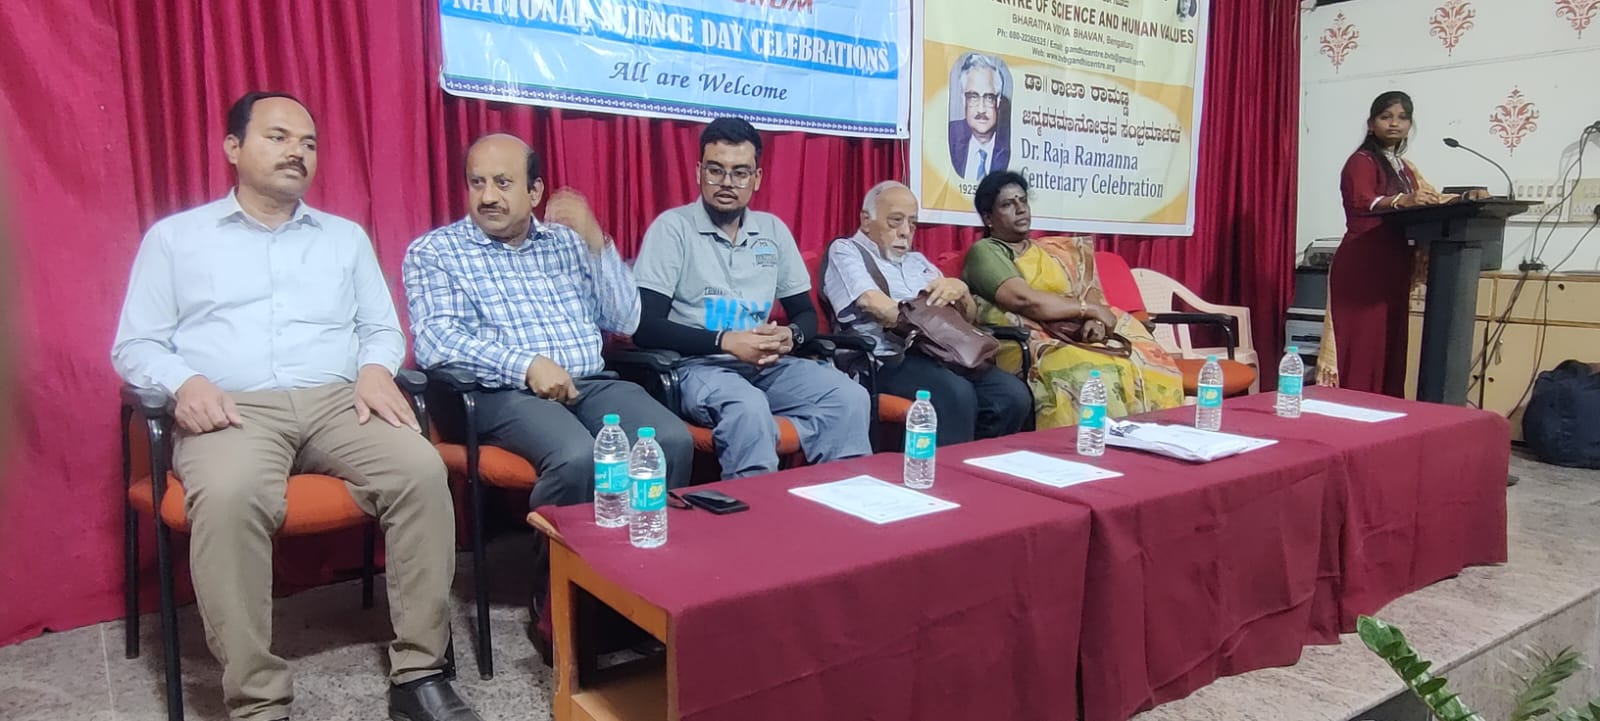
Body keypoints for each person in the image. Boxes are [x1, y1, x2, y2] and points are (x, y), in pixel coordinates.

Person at [110, 92, 480, 721]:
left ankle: (419, 673)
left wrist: (374, 368)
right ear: (233, 148)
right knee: (229, 496)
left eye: (308, 143)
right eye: (278, 137)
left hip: (338, 402)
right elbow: (136, 343)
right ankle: (258, 702)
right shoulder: (176, 239)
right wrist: (183, 381)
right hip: (231, 408)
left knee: (420, 471)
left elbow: (380, 327)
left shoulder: (344, 238)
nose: (296, 152)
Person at [403, 134, 693, 509]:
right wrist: (527, 366)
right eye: (477, 182)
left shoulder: (567, 242)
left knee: (670, 440)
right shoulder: (436, 251)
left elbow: (625, 320)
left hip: (589, 384)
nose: (488, 196)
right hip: (502, 394)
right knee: (577, 457)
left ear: (534, 191)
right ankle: (558, 550)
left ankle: (640, 541)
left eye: (502, 183)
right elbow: (437, 341)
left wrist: (597, 244)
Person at [631, 117, 872, 478]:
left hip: (766, 365)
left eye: (740, 173)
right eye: (716, 170)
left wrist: (791, 336)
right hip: (699, 366)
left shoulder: (772, 231)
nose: (727, 182)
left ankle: (838, 499)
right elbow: (645, 327)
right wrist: (726, 341)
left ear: (756, 178)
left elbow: (805, 314)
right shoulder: (673, 228)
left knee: (849, 397)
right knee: (749, 408)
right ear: (698, 172)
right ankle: (756, 510)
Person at [961, 171, 1185, 429]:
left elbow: (1089, 292)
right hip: (1027, 342)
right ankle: (1082, 446)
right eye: (1007, 204)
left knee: (1146, 362)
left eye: (1023, 201)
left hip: (1076, 335)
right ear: (988, 218)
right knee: (1091, 372)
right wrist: (1087, 310)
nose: (1020, 209)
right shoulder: (986, 252)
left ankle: (1150, 441)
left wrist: (1096, 322)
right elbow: (1024, 300)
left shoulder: (1055, 251)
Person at [822, 180, 1032, 445]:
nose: (905, 231)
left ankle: (975, 463)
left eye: (912, 223)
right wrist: (928, 320)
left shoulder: (918, 262)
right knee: (955, 394)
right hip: (885, 359)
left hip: (939, 353)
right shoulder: (846, 251)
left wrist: (962, 292)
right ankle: (944, 468)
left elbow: (967, 319)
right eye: (895, 221)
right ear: (866, 220)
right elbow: (873, 304)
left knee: (1011, 395)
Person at [1317, 91, 1488, 396]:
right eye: (1386, 117)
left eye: (1402, 118)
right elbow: (1362, 201)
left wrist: (1466, 197)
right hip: (1363, 266)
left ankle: (1384, 413)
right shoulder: (1361, 161)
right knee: (1363, 348)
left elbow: (1430, 198)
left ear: (1410, 124)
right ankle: (1351, 411)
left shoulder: (1405, 168)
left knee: (1389, 348)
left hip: (1394, 266)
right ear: (1371, 124)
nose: (1394, 123)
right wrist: (1401, 200)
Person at [948, 53, 1011, 181]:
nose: (981, 109)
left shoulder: (1010, 144)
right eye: (973, 97)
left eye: (989, 98)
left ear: (998, 101)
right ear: (964, 100)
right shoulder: (951, 137)